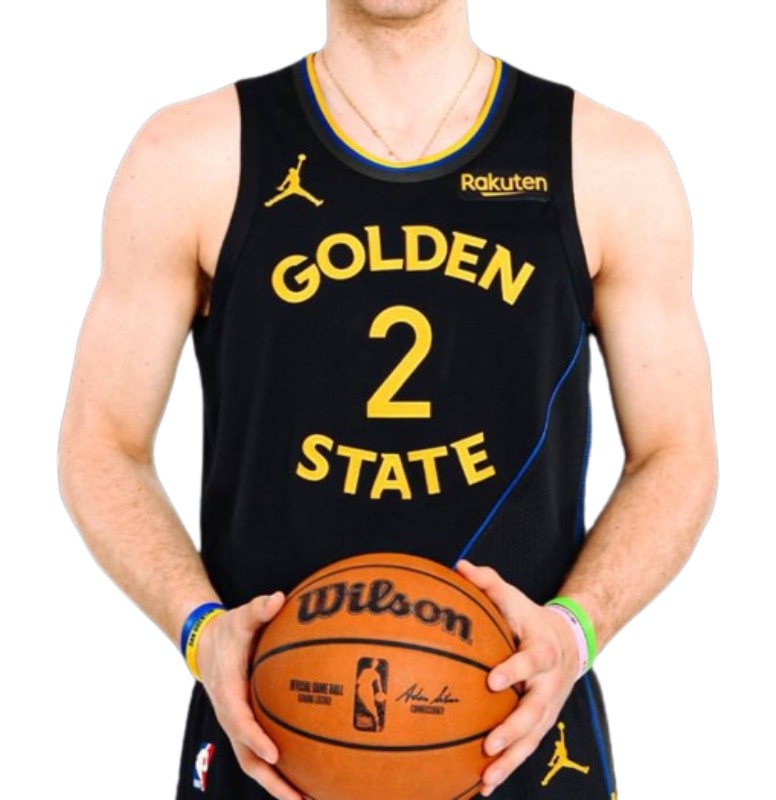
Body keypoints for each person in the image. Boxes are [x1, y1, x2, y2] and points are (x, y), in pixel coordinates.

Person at [58, 1, 717, 798]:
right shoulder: (191, 157)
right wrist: (201, 628)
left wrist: (577, 628)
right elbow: (102, 441)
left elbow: (675, 452)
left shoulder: (607, 164)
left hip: (521, 746)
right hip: (269, 742)